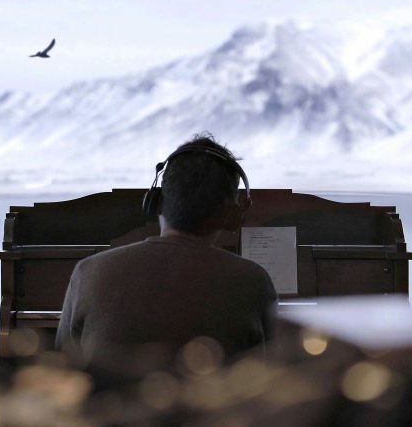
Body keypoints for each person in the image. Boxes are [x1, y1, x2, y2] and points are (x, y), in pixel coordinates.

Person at [55, 133, 277, 381]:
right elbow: (270, 379)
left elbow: (60, 368)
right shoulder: (254, 280)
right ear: (233, 215)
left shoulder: (88, 271)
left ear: (156, 202)